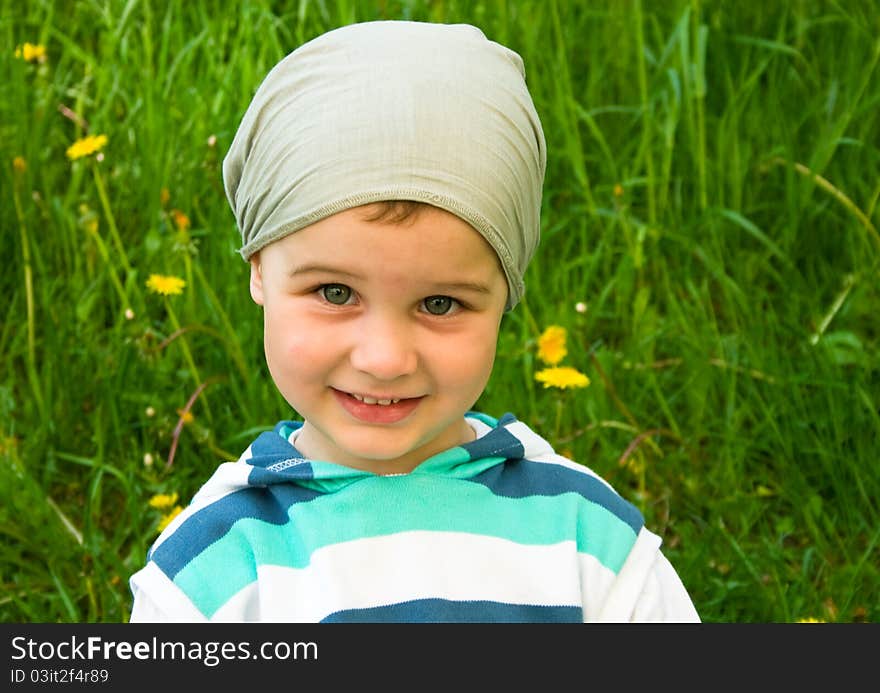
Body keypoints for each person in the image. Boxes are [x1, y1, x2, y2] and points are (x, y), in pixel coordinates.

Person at [128, 20, 699, 623]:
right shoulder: (213, 571)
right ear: (259, 270)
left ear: (506, 293)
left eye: (440, 304)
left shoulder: (589, 541)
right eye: (334, 291)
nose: (384, 358)